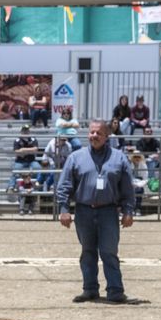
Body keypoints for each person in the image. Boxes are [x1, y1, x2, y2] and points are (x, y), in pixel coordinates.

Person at [56, 119, 135, 304]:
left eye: (98, 133)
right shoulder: (76, 157)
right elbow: (65, 185)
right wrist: (64, 208)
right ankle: (89, 290)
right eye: (91, 132)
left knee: (109, 252)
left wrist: (128, 211)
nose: (94, 136)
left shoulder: (119, 158)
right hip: (84, 211)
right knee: (87, 252)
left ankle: (115, 291)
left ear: (107, 136)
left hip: (108, 212)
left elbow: (127, 189)